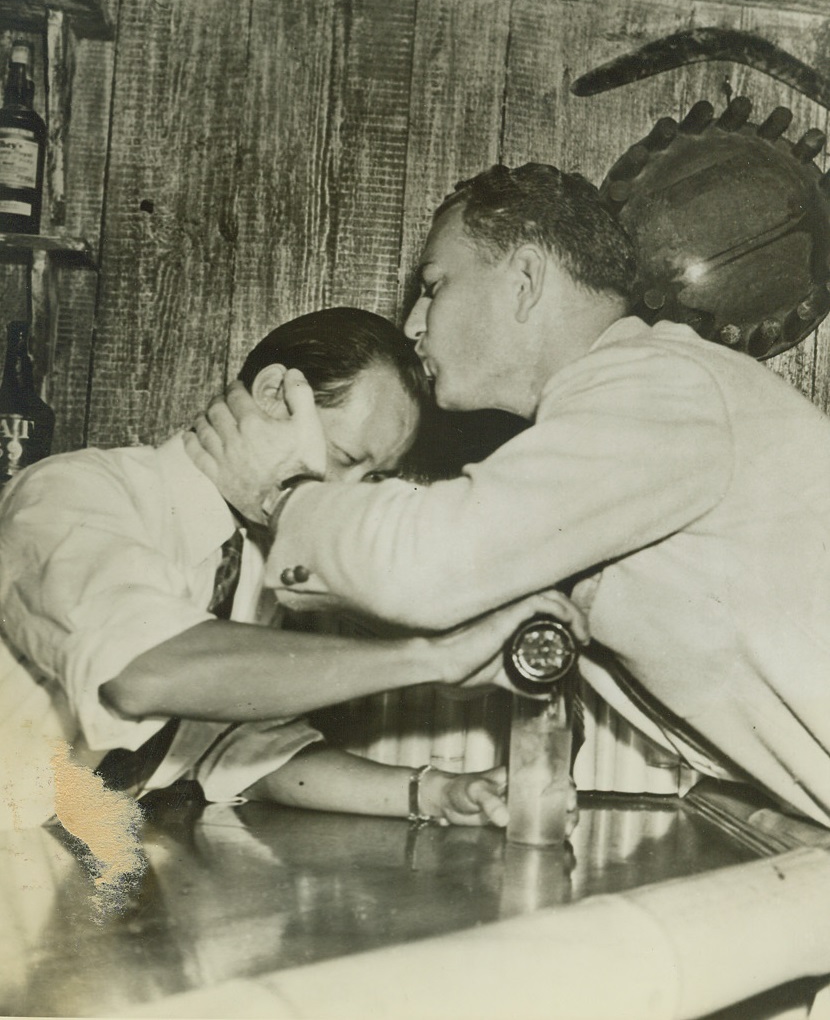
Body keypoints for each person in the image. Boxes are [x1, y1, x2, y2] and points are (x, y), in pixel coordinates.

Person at [186, 164, 830, 829]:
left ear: (524, 281)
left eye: (435, 287)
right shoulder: (628, 406)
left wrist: (280, 492)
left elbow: (425, 567)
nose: (412, 323)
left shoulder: (657, 386)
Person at [0, 305, 586, 829]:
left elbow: (236, 750)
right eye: (344, 460)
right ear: (277, 394)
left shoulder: (254, 556)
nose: (347, 497)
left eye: (373, 480)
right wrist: (432, 657)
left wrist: (435, 792)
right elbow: (143, 674)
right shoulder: (72, 493)